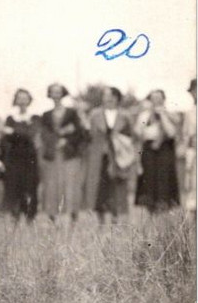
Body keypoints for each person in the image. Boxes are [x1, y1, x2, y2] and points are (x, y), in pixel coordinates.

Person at [84, 86, 135, 223]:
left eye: (112, 96)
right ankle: (101, 220)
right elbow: (89, 134)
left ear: (117, 98)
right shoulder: (95, 114)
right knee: (100, 187)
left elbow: (131, 135)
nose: (108, 99)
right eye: (106, 96)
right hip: (100, 156)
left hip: (119, 156)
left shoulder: (125, 115)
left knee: (117, 186)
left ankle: (116, 218)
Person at [38, 84, 86, 221]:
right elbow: (44, 135)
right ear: (50, 94)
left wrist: (67, 141)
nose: (56, 95)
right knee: (52, 184)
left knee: (70, 184)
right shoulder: (46, 115)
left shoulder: (71, 113)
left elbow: (80, 133)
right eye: (53, 92)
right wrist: (54, 142)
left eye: (58, 92)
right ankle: (53, 216)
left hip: (70, 154)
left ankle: (72, 215)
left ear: (63, 94)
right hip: (53, 155)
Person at [134, 90, 181, 213]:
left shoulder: (170, 115)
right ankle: (151, 212)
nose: (156, 101)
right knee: (149, 181)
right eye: (153, 98)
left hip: (165, 150)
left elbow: (171, 133)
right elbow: (139, 132)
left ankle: (164, 211)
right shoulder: (144, 116)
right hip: (148, 150)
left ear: (163, 99)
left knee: (164, 180)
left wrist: (163, 115)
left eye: (159, 98)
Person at [3, 89, 40, 222]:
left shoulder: (35, 117)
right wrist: (21, 133)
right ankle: (16, 218)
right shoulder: (11, 118)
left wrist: (13, 132)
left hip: (30, 159)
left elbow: (31, 134)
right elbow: (6, 136)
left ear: (29, 100)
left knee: (30, 187)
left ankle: (30, 218)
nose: (22, 101)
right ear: (16, 100)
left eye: (25, 98)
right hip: (14, 158)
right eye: (20, 98)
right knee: (14, 187)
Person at [182, 78, 196, 212]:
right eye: (193, 91)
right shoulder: (190, 112)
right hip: (193, 154)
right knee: (192, 186)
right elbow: (185, 134)